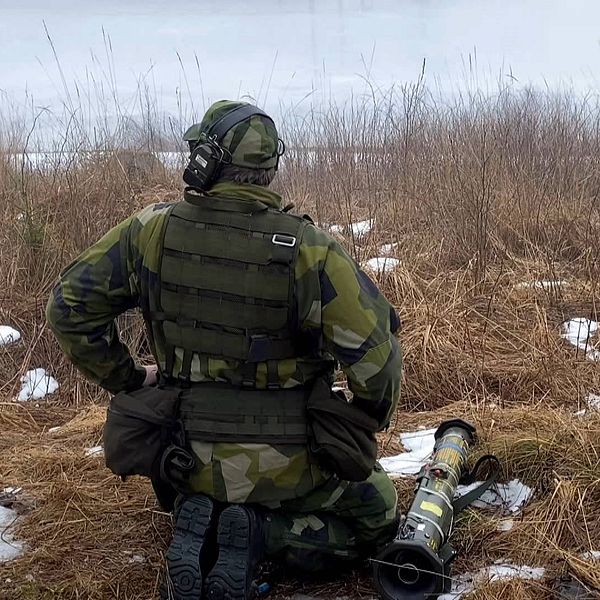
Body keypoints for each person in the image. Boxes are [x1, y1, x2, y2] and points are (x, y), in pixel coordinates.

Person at [46, 100, 402, 600]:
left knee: (209, 489)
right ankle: (262, 533)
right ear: (270, 169)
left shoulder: (150, 231)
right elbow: (377, 357)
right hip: (293, 464)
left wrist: (127, 378)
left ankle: (205, 519)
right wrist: (362, 419)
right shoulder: (310, 249)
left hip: (182, 458)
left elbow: (68, 309)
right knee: (377, 518)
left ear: (203, 162)